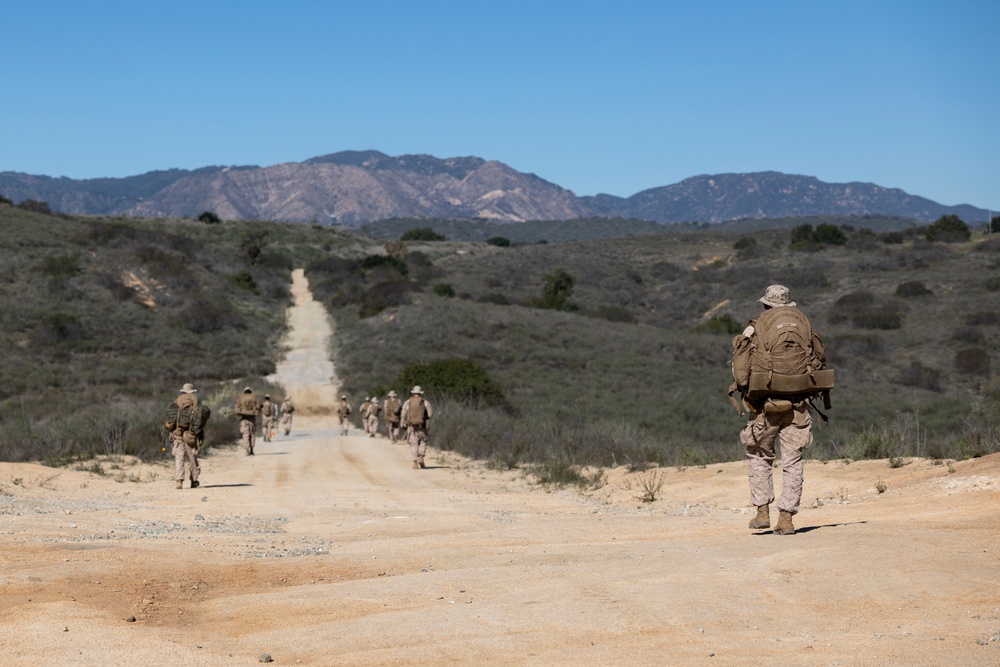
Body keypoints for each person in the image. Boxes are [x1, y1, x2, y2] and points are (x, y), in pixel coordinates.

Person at [732, 285, 828, 535]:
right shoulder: (805, 325)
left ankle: (762, 511)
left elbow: (741, 373)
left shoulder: (755, 328)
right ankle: (786, 518)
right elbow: (819, 359)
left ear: (766, 304)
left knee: (759, 454)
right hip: (798, 405)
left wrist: (748, 389)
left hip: (765, 406)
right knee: (793, 460)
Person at [165, 383, 209, 489]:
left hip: (178, 432)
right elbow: (199, 418)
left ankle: (179, 480)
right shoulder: (195, 399)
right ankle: (194, 480)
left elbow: (172, 417)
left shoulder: (178, 399)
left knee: (179, 457)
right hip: (191, 433)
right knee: (192, 456)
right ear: (192, 391)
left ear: (183, 391)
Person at [400, 385, 433, 469]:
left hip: (411, 425)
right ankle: (421, 456)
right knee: (423, 441)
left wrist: (402, 423)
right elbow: (430, 414)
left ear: (413, 393)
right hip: (422, 425)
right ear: (420, 393)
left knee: (413, 443)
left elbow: (403, 413)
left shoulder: (408, 402)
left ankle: (415, 462)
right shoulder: (425, 402)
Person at [235, 386, 260, 455]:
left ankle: (246, 450)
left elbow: (237, 409)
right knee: (252, 434)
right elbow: (258, 408)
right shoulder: (255, 397)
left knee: (245, 435)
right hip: (252, 419)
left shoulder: (240, 398)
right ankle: (252, 450)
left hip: (244, 419)